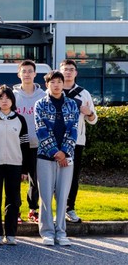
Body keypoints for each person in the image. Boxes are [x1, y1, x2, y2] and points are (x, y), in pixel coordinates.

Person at [34, 70, 79, 246]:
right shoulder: (40, 104)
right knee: (45, 196)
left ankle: (61, 232)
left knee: (62, 196)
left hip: (67, 158)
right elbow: (41, 130)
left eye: (59, 82)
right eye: (52, 82)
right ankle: (47, 232)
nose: (56, 85)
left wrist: (64, 152)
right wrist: (55, 152)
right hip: (45, 156)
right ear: (47, 85)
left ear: (63, 84)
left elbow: (73, 129)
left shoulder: (72, 104)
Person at [0, 85, 31, 246]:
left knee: (13, 200)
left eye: (7, 98)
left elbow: (25, 146)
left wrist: (25, 169)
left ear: (12, 100)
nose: (4, 101)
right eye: (1, 98)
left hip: (14, 164)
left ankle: (10, 234)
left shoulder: (20, 120)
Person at [60, 59, 98, 224]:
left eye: (71, 69)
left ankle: (70, 208)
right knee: (54, 177)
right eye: (65, 69)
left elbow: (93, 120)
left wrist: (89, 112)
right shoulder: (53, 90)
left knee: (73, 176)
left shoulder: (84, 93)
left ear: (75, 73)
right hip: (55, 142)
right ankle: (56, 210)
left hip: (76, 142)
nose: (68, 72)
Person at [12, 59, 45, 223]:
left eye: (30, 71)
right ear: (19, 74)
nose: (27, 74)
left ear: (35, 74)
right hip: (16, 145)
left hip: (37, 145)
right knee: (15, 179)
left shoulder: (43, 96)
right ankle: (15, 210)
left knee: (36, 180)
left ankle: (33, 210)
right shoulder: (12, 96)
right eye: (23, 71)